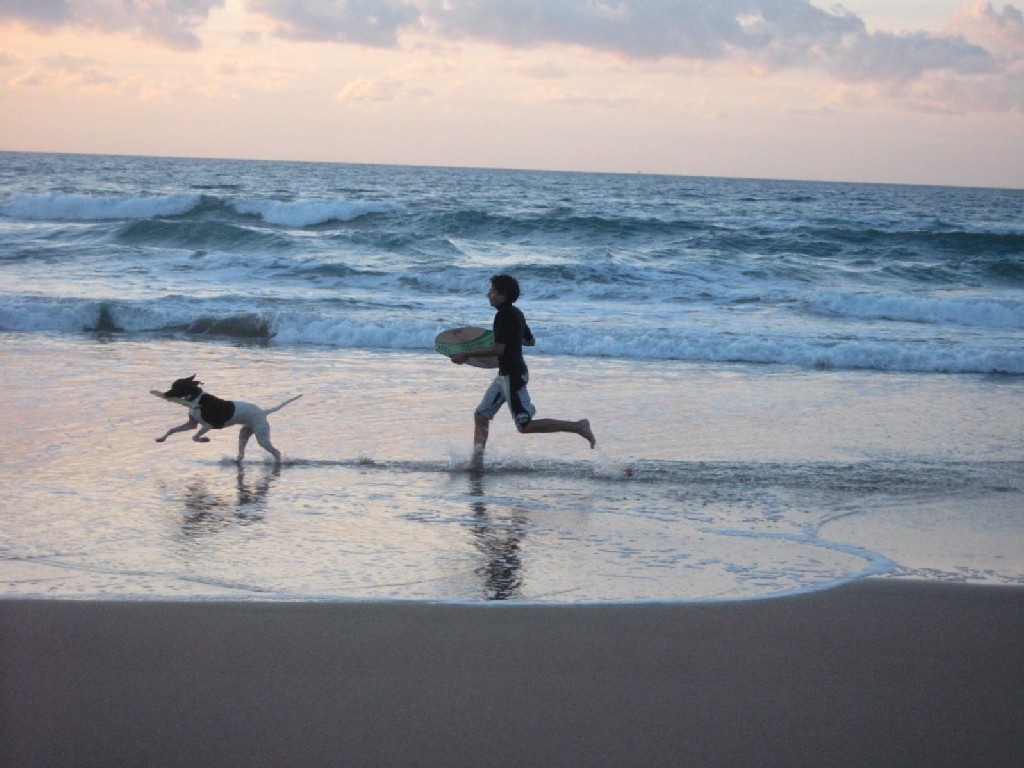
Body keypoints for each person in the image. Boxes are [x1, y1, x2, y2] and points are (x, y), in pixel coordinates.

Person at [451, 273, 596, 469]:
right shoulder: (516, 313)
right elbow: (530, 341)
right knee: (481, 415)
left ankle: (577, 426)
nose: (488, 295)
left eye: (492, 291)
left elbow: (499, 349)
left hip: (512, 376)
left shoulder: (503, 315)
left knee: (525, 425)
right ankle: (476, 463)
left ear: (502, 295)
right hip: (504, 375)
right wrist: (509, 341)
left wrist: (466, 354)